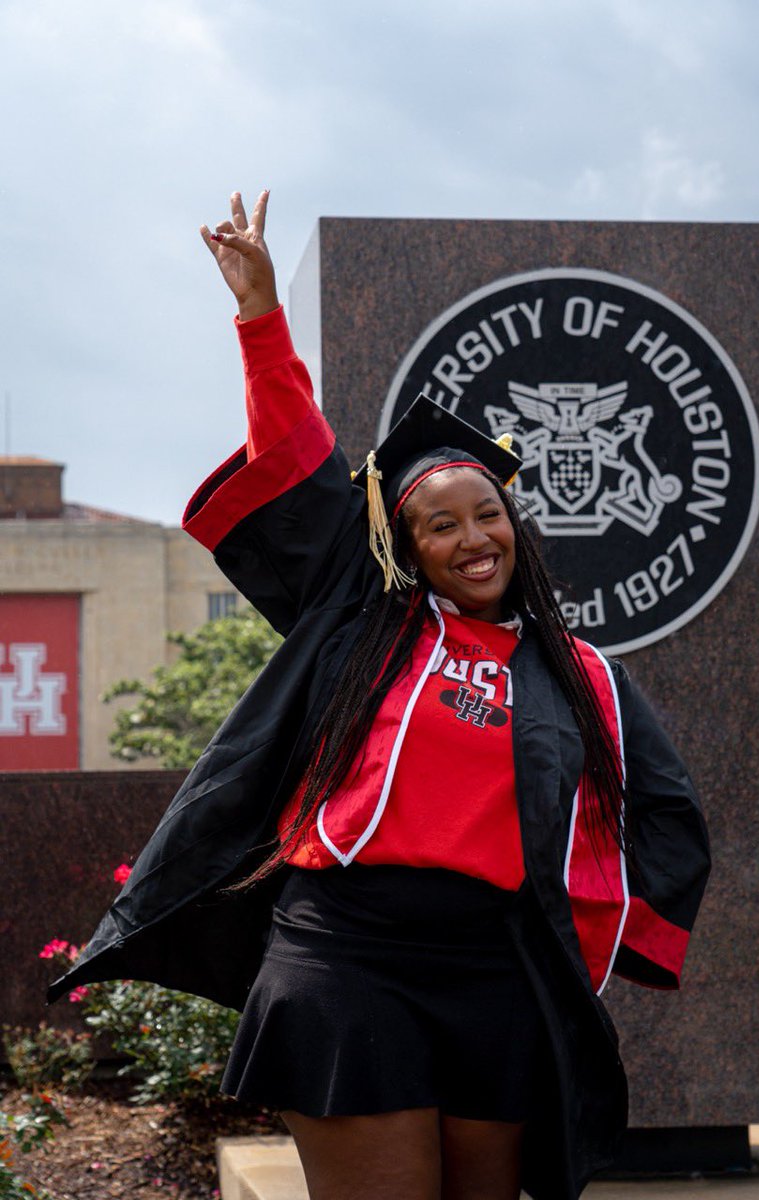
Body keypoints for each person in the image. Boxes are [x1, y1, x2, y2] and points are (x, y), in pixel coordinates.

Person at [49, 190, 711, 1200]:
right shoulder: (365, 623)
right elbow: (297, 452)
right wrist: (258, 318)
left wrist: (590, 937)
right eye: (437, 526)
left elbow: (664, 820)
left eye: (484, 515)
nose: (469, 539)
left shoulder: (580, 678)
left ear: (514, 525)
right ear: (404, 548)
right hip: (347, 962)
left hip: (494, 975)